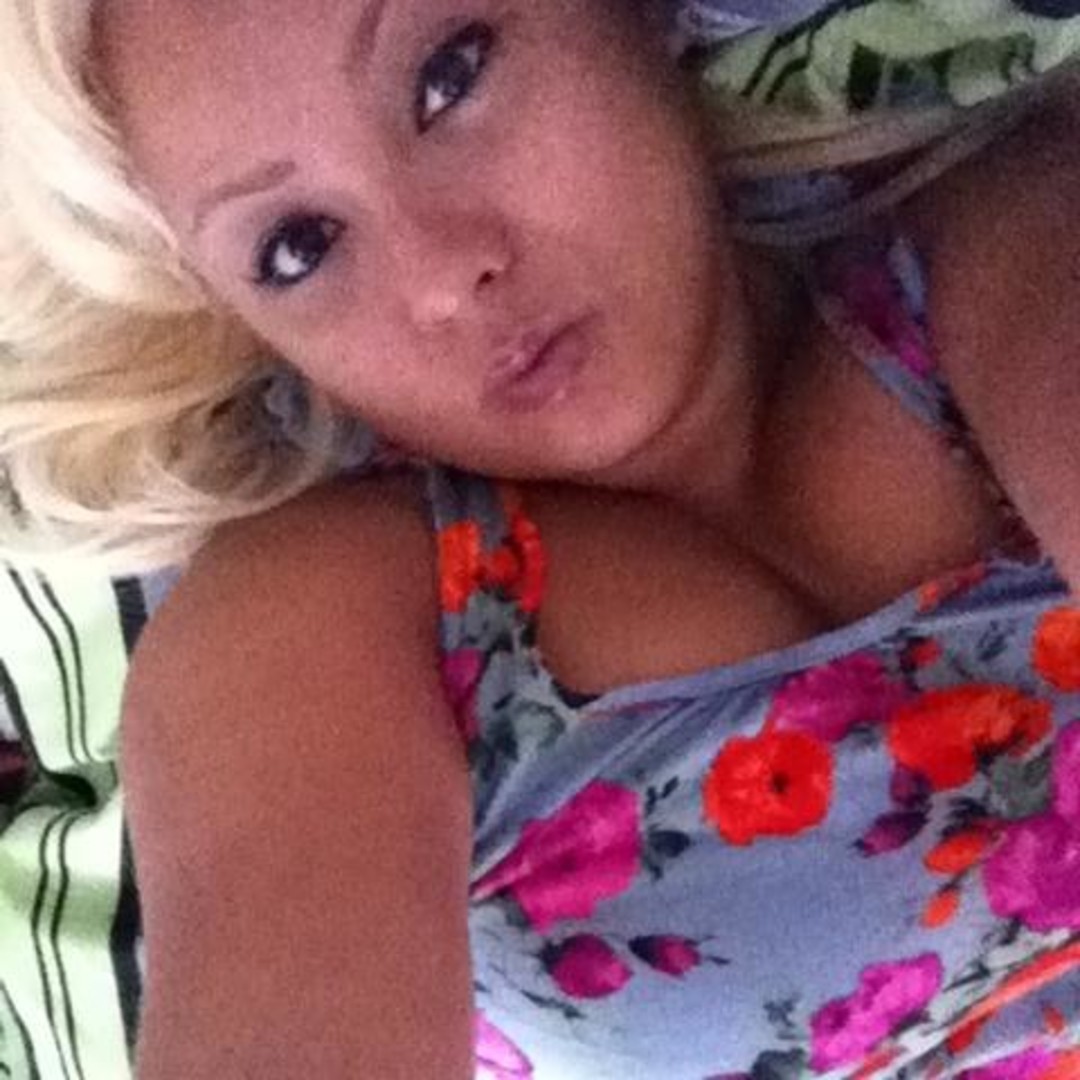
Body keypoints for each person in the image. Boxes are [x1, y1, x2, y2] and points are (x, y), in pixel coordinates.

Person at [1, 0, 1079, 1077]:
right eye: (299, 247)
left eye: (449, 76)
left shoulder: (1001, 235)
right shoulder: (308, 627)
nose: (444, 274)